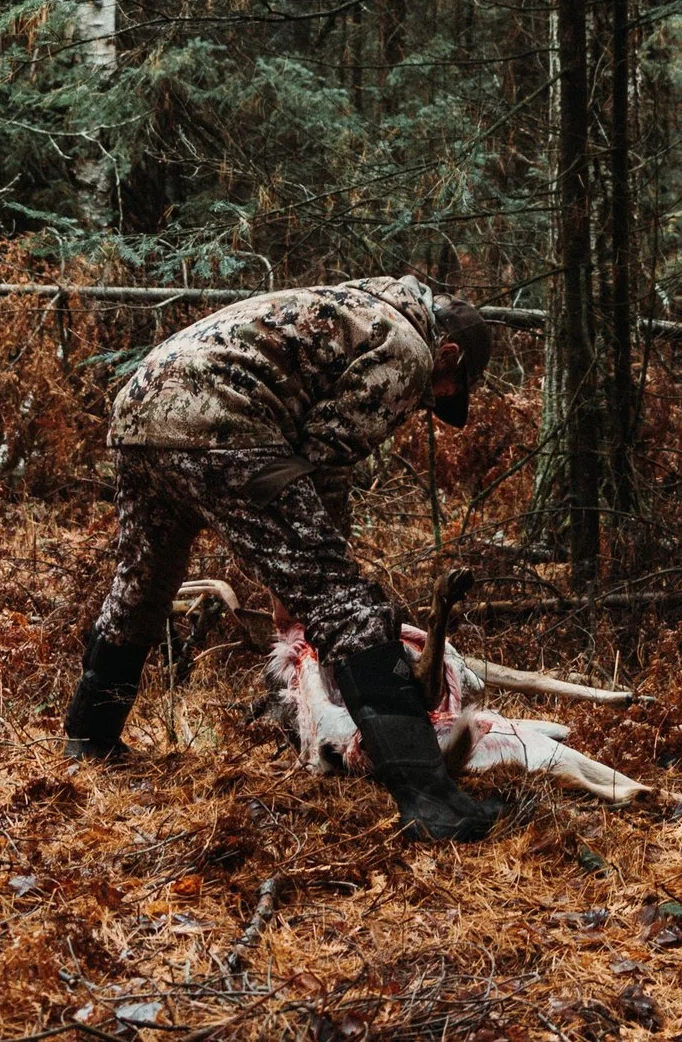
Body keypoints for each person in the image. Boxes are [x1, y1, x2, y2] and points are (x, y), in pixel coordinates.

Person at [63, 274, 500, 841]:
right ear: (449, 354)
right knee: (346, 607)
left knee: (143, 584)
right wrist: (298, 584)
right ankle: (433, 802)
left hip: (139, 412)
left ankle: (88, 738)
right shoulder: (407, 349)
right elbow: (326, 458)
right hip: (220, 421)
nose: (432, 402)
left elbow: (311, 437)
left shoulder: (353, 309)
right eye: (447, 388)